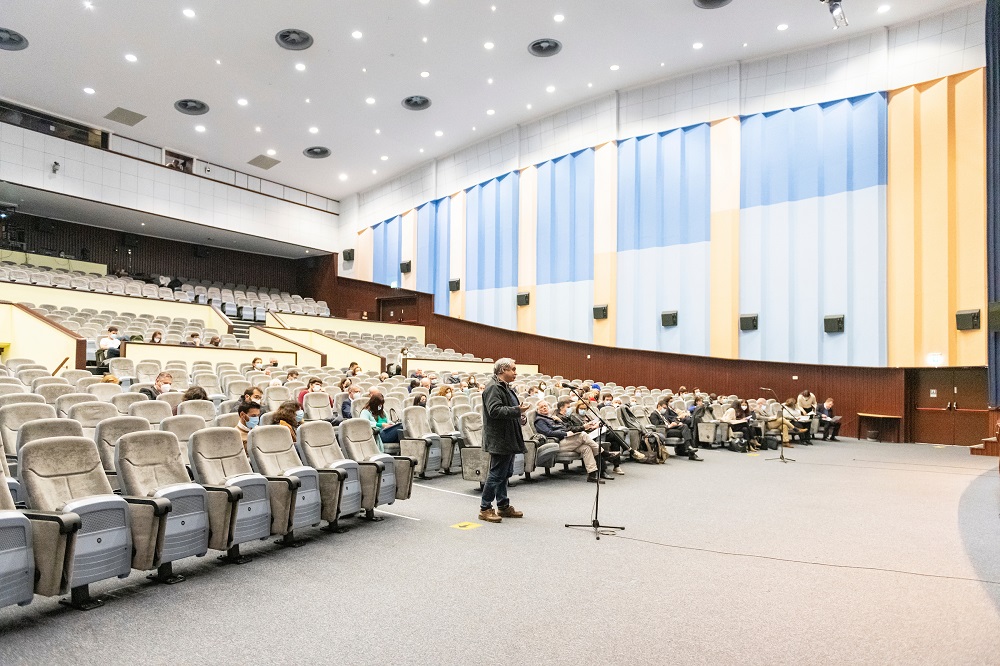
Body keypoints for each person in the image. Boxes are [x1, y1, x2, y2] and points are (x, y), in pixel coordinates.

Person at [477, 358, 528, 524]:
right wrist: (516, 410)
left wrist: (519, 413)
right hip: (499, 438)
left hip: (508, 436)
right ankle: (485, 508)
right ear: (502, 370)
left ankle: (503, 505)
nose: (515, 372)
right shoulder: (493, 388)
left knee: (504, 473)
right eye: (512, 369)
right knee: (496, 473)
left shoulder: (505, 387)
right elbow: (494, 411)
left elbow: (510, 410)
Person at [535, 400, 608, 481]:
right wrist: (565, 434)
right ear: (537, 410)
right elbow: (548, 433)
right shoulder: (539, 420)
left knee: (586, 447)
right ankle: (604, 453)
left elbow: (566, 427)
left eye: (545, 406)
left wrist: (560, 421)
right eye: (541, 407)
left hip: (566, 441)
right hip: (557, 443)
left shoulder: (552, 418)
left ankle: (592, 475)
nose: (544, 408)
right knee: (583, 435)